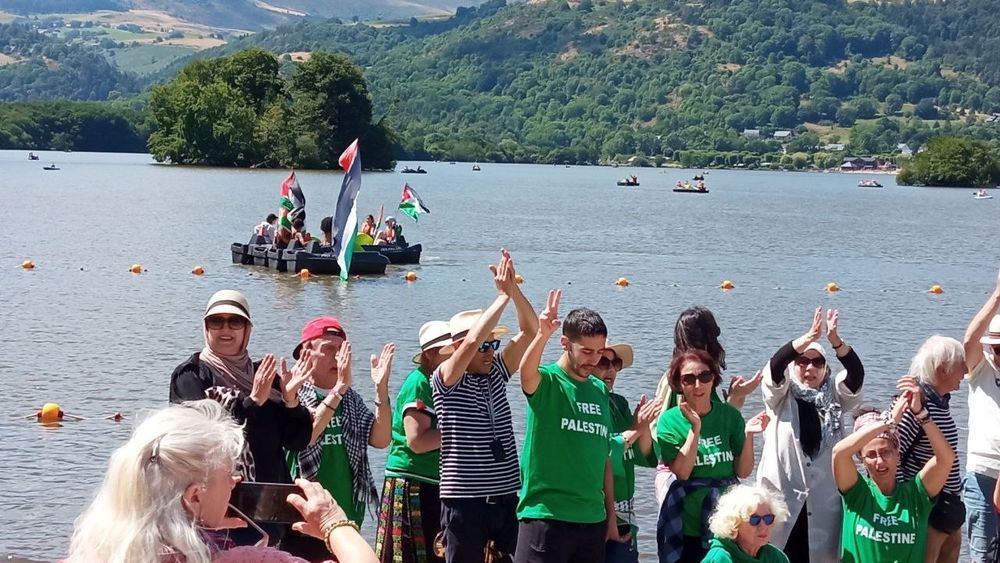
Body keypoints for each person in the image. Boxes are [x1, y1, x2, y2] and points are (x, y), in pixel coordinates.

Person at [66, 400, 378, 563]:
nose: (236, 480)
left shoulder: (91, 554)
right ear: (194, 497)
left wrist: (199, 528)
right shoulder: (249, 560)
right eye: (227, 474)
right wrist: (335, 526)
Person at [169, 290, 313, 545]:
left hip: (269, 506)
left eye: (235, 322)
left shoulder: (265, 374)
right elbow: (201, 435)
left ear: (247, 329)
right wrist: (253, 401)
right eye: (217, 321)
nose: (226, 329)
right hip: (216, 510)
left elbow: (296, 442)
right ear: (206, 327)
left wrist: (291, 401)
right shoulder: (191, 376)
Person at [432, 249, 537, 562]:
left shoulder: (496, 373)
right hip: (464, 500)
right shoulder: (446, 379)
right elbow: (468, 345)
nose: (490, 351)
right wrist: (501, 300)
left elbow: (531, 331)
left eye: (494, 344)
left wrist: (513, 291)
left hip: (505, 495)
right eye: (484, 345)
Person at [755, 307, 864, 563]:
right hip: (782, 501)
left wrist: (835, 342)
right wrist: (805, 339)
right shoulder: (779, 396)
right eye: (802, 361)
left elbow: (856, 376)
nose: (809, 368)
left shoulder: (836, 398)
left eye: (817, 362)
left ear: (825, 369)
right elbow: (774, 367)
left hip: (824, 504)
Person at [283, 317, 394, 561]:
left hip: (346, 516)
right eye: (328, 349)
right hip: (304, 519)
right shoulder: (291, 394)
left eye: (341, 350)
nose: (337, 357)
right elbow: (306, 437)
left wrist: (381, 390)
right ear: (305, 353)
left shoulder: (351, 398)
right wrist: (339, 389)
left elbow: (381, 439)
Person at [516, 291, 615, 562]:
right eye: (586, 351)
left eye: (599, 352)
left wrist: (610, 517)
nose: (594, 360)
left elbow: (603, 456)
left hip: (592, 519)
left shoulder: (598, 389)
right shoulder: (547, 381)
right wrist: (541, 334)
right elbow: (526, 374)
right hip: (546, 516)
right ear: (565, 343)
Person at [655, 349, 769, 563]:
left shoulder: (730, 416)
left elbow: (743, 472)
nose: (698, 385)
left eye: (704, 376)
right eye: (688, 379)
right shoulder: (669, 421)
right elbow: (682, 472)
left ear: (714, 379)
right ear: (679, 384)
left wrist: (749, 435)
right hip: (686, 523)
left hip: (727, 519)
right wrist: (695, 429)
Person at [654, 307, 762, 505]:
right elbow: (668, 430)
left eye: (705, 377)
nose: (698, 385)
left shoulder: (704, 375)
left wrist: (737, 397)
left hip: (713, 472)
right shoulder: (678, 380)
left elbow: (719, 423)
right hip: (677, 469)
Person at [833, 393, 955, 563]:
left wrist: (921, 414)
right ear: (861, 459)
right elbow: (839, 453)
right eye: (871, 455)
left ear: (898, 454)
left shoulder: (916, 496)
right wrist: (888, 422)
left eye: (885, 452)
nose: (880, 462)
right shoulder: (857, 494)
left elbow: (946, 458)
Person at [375, 321, 455, 563]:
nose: (456, 354)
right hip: (412, 481)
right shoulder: (420, 382)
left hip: (433, 480)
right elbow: (417, 441)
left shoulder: (446, 383)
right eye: (449, 350)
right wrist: (463, 433)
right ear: (430, 354)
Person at [895, 336, 967, 563]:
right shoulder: (914, 403)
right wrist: (901, 503)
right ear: (942, 369)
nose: (965, 370)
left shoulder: (938, 402)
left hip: (946, 507)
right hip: (927, 509)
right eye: (960, 364)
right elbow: (892, 450)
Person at [595, 343, 662, 563]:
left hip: (626, 515)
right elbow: (601, 451)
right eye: (604, 363)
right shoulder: (580, 403)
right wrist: (636, 428)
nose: (611, 370)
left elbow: (643, 455)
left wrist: (644, 425)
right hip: (595, 514)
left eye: (616, 364)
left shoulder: (618, 403)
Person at [963, 267, 1000, 562]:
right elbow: (969, 340)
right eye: (996, 348)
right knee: (982, 554)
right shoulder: (981, 368)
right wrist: (998, 295)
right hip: (982, 472)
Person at [702, 484, 791, 563]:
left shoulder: (776, 557)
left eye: (768, 519)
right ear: (734, 525)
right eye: (754, 519)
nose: (763, 526)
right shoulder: (719, 559)